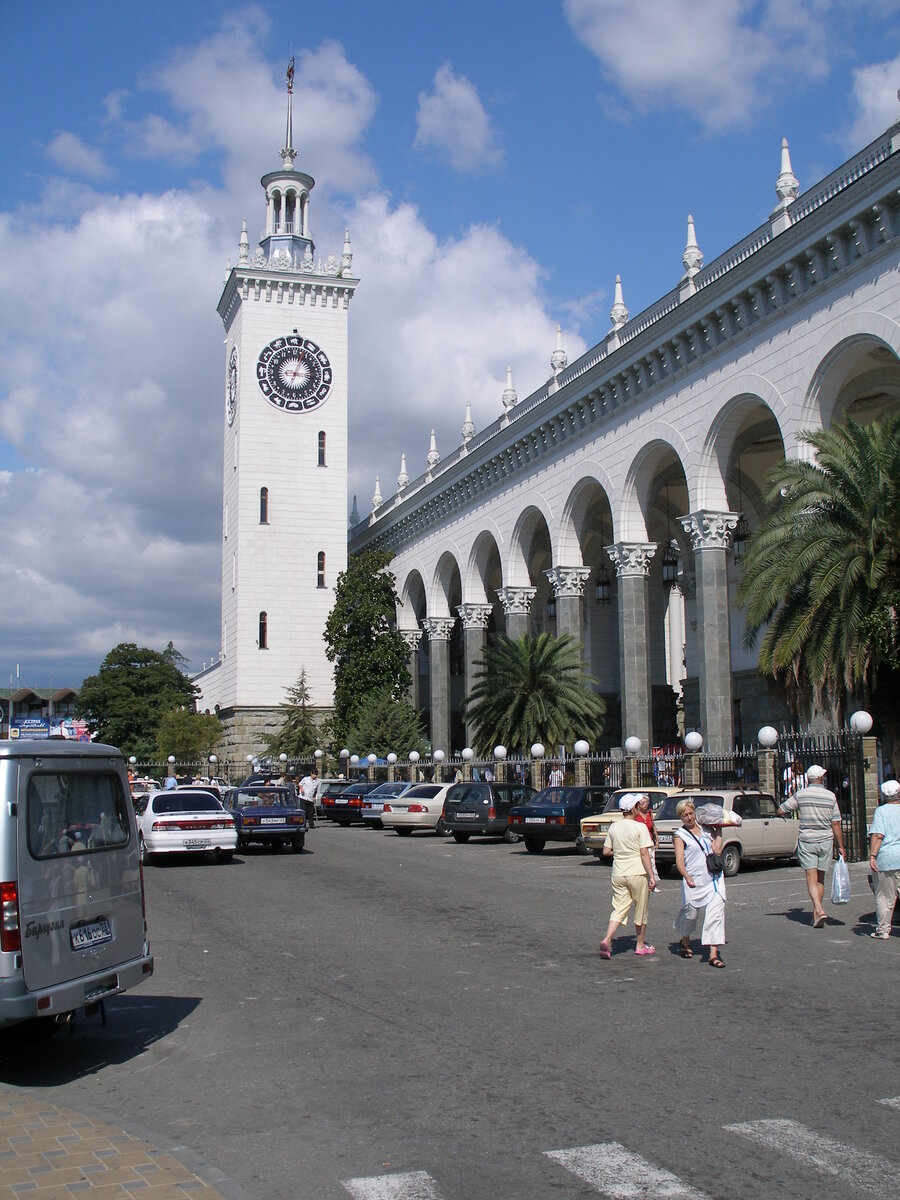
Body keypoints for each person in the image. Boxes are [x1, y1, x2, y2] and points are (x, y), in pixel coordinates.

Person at [778, 763, 846, 927]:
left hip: (808, 839)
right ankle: (817, 913)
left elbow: (781, 809)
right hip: (825, 839)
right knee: (820, 877)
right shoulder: (830, 796)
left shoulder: (801, 794)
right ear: (821, 778)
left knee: (810, 877)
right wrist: (841, 846)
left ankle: (819, 909)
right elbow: (836, 822)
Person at [599, 793, 658, 958]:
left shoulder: (614, 827)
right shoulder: (640, 827)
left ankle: (607, 938)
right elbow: (644, 853)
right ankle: (640, 945)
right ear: (633, 808)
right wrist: (652, 876)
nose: (640, 808)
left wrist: (621, 851)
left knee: (619, 908)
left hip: (618, 873)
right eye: (638, 805)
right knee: (641, 909)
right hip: (637, 872)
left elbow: (606, 851)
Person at [673, 799, 727, 967]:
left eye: (691, 813)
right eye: (685, 815)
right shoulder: (679, 835)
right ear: (681, 817)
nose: (689, 818)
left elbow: (717, 850)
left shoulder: (706, 829)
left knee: (715, 915)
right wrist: (686, 876)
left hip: (714, 880)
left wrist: (718, 832)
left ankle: (713, 954)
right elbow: (679, 860)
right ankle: (685, 939)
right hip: (694, 880)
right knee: (691, 914)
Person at [868, 779, 900, 939]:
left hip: (887, 858)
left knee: (885, 897)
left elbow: (878, 835)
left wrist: (872, 855)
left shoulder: (881, 811)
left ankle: (883, 930)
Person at [634, 792, 660, 889]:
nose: (645, 805)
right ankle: (644, 883)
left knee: (652, 862)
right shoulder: (635, 815)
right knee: (643, 862)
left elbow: (653, 827)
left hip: (650, 841)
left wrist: (657, 839)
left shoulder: (649, 813)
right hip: (640, 842)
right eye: (642, 803)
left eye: (646, 803)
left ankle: (652, 883)